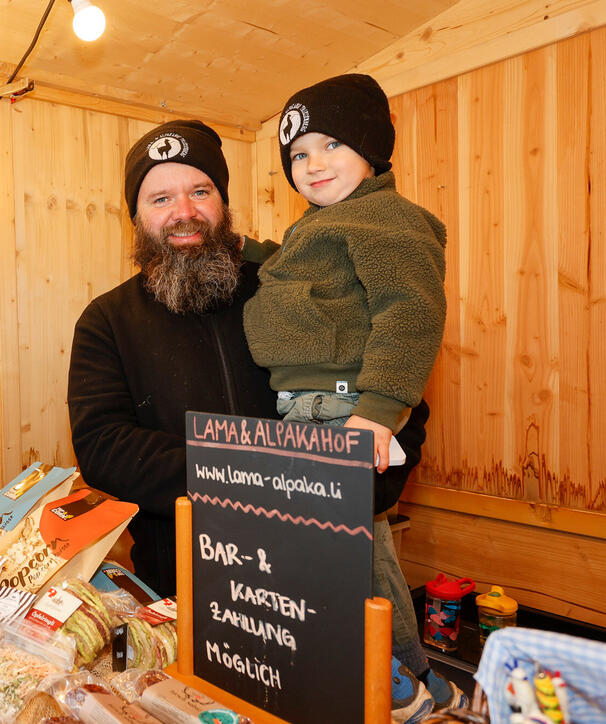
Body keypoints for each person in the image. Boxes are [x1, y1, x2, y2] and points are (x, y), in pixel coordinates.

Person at [66, 118, 429, 611]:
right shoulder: (106, 320)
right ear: (136, 217)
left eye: (201, 190)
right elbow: (104, 449)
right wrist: (260, 476)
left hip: (320, 571)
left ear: (223, 203)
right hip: (182, 587)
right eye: (161, 199)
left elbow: (394, 393)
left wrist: (360, 491)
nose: (185, 213)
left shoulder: (293, 286)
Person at [242, 73, 463, 721]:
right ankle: (420, 673)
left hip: (342, 411)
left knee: (346, 555)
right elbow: (291, 270)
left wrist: (377, 413)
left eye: (331, 145)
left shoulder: (388, 220)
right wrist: (244, 249)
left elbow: (409, 313)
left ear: (372, 150)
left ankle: (401, 685)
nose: (313, 165)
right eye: (298, 155)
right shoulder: (323, 226)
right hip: (302, 413)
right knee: (352, 549)